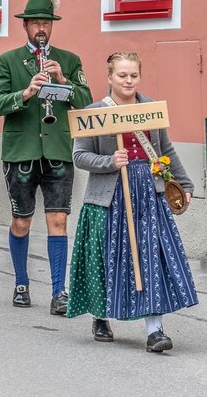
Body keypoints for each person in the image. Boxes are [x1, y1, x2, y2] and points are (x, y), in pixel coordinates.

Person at [68, 52, 197, 352]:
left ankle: (155, 330)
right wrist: (110, 160)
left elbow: (166, 150)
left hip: (148, 195)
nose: (128, 81)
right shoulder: (95, 112)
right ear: (110, 77)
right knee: (106, 257)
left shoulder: (150, 110)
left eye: (133, 75)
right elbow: (79, 156)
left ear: (139, 76)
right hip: (110, 194)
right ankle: (101, 316)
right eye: (122, 75)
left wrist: (184, 183)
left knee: (152, 256)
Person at [0, 0, 92, 313]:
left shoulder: (69, 60)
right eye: (35, 23)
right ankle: (21, 282)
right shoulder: (8, 61)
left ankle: (59, 291)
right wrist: (26, 92)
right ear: (25, 26)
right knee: (21, 221)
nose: (41, 28)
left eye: (46, 22)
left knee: (58, 220)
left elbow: (87, 103)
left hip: (58, 150)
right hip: (22, 151)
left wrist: (63, 80)